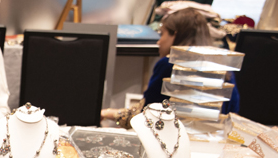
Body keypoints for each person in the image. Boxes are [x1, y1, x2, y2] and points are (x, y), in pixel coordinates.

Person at [101, 7, 239, 125]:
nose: (159, 42)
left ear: (175, 35)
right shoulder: (222, 66)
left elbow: (148, 114)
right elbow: (233, 108)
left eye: (162, 34)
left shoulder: (168, 65)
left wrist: (106, 113)